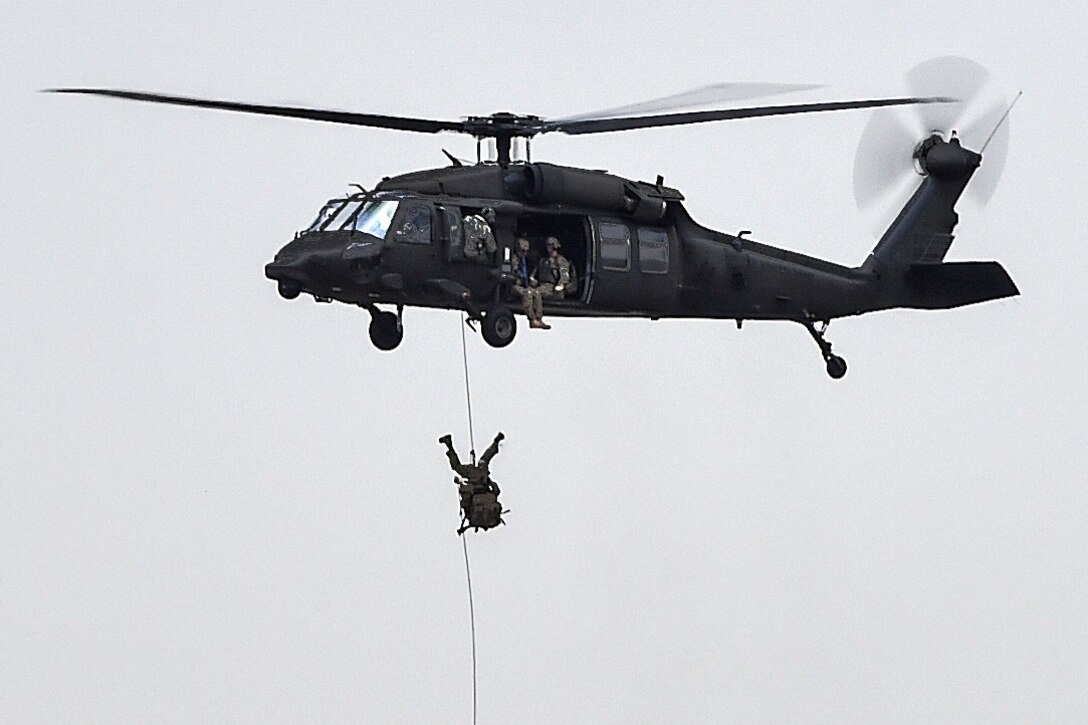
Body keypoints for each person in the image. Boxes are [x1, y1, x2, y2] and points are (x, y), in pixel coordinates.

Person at [439, 432, 506, 534]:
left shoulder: (476, 515)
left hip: (482, 477)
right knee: (459, 467)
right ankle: (449, 445)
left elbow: (496, 491)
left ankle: (496, 443)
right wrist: (461, 485)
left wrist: (489, 481)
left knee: (483, 461)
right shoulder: (472, 515)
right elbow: (466, 496)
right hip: (477, 478)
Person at [512, 237, 548, 329]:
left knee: (536, 293)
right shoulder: (514, 259)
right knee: (527, 294)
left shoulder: (527, 260)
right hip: (513, 285)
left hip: (525, 285)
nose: (524, 253)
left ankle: (539, 319)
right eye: (522, 251)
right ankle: (532, 319)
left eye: (526, 251)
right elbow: (513, 272)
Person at [535, 236, 573, 310]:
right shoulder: (543, 260)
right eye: (547, 245)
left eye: (550, 245)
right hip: (541, 285)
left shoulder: (560, 260)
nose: (548, 247)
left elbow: (564, 276)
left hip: (552, 288)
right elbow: (536, 272)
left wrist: (560, 285)